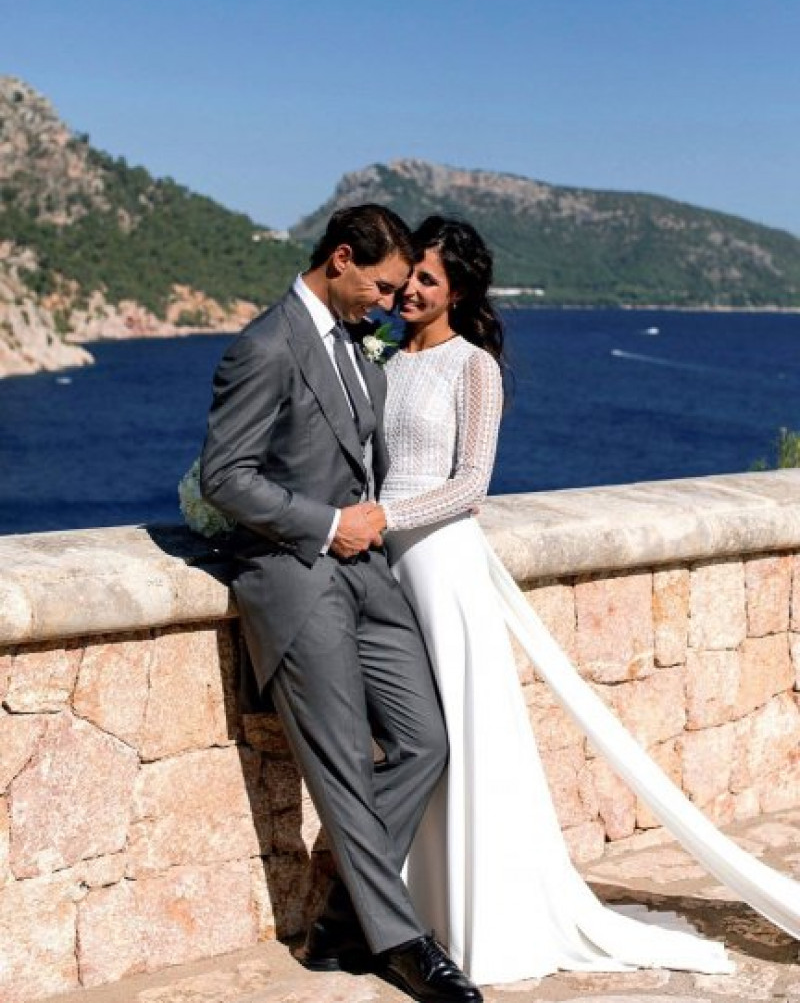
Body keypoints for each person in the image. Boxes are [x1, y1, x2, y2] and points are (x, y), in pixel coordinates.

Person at [367, 215, 800, 985]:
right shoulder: (385, 360)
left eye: (427, 280)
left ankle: (481, 913)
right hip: (386, 567)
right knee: (414, 734)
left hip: (442, 566)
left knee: (463, 739)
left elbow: (471, 486)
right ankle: (415, 905)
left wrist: (385, 517)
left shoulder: (473, 368)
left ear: (457, 292)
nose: (409, 290)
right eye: (408, 277)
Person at [200, 205, 483, 1003]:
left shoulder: (361, 350)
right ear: (342, 259)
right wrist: (327, 525)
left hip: (370, 577)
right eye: (384, 286)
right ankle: (401, 941)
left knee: (427, 741)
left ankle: (338, 922)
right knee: (344, 772)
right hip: (294, 578)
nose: (392, 303)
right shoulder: (263, 346)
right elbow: (225, 477)